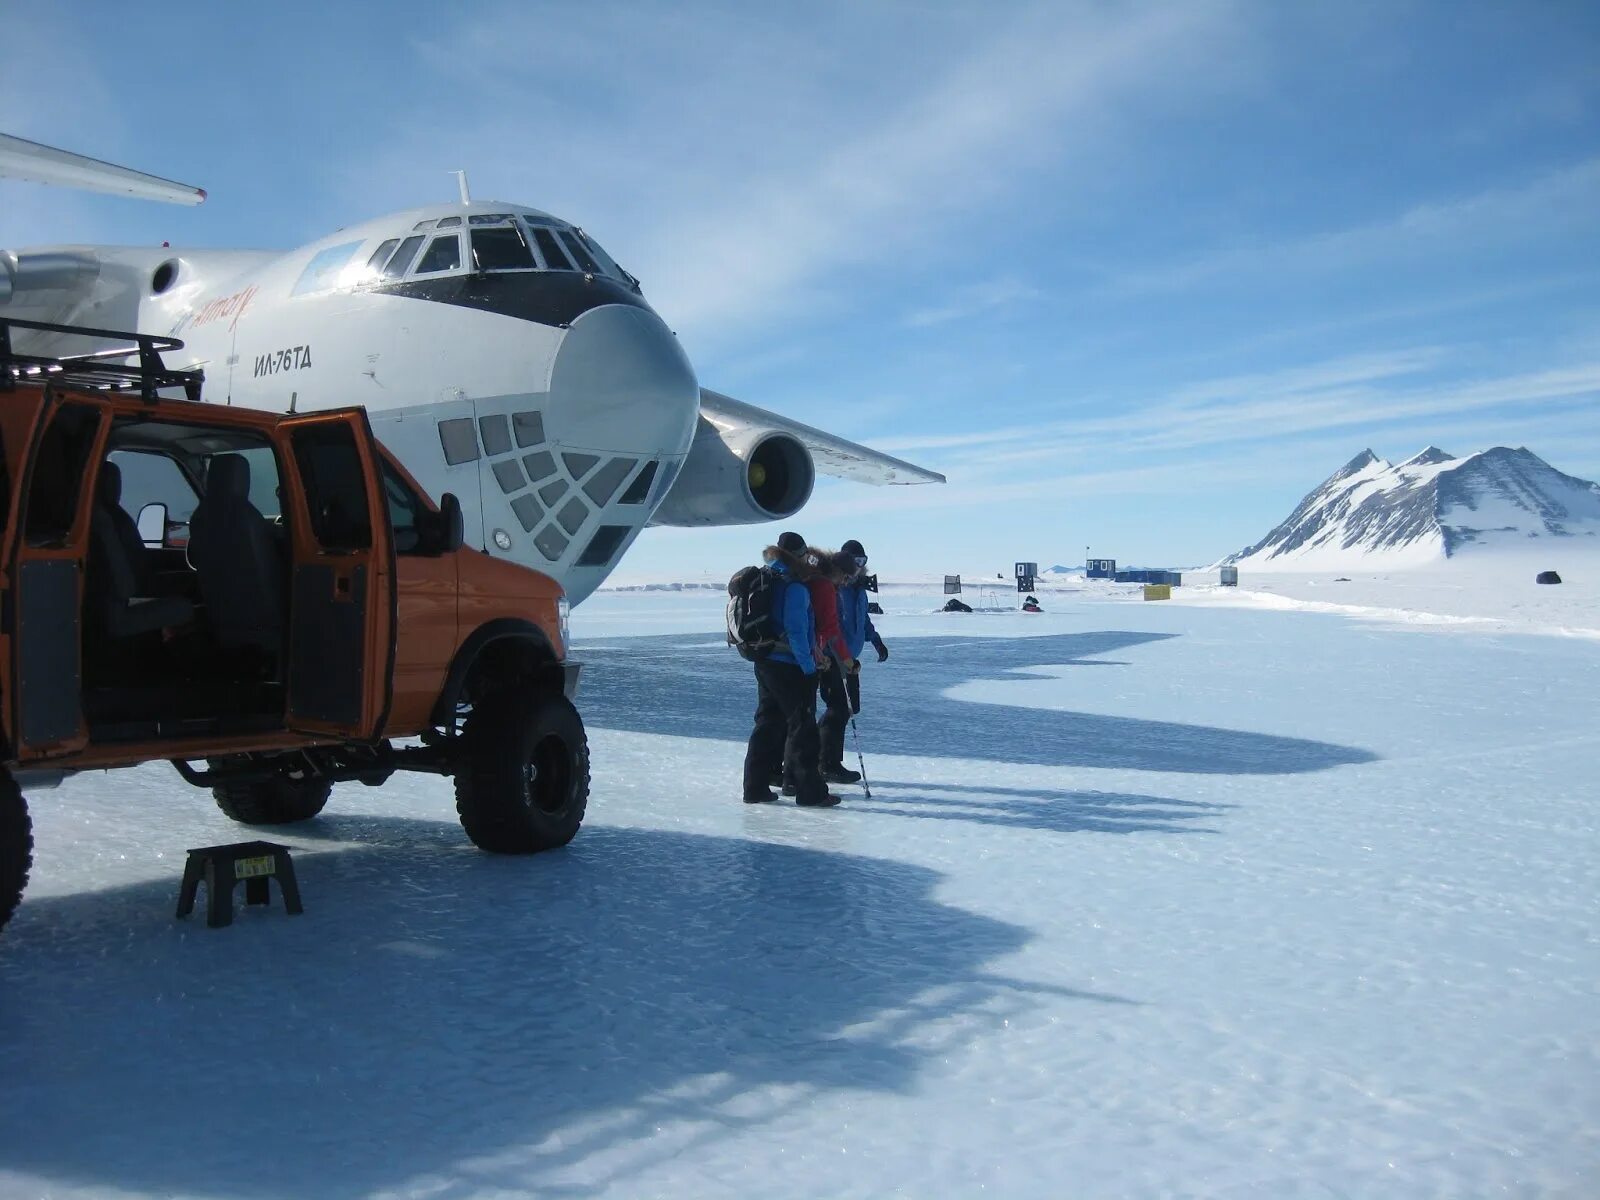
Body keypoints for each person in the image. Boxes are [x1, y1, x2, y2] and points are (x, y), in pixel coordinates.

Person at [742, 532, 841, 807]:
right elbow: (797, 630)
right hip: (789, 665)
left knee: (767, 723)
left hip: (765, 661)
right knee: (803, 728)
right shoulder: (794, 586)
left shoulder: (767, 578)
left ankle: (755, 787)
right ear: (799, 555)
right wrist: (809, 667)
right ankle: (811, 792)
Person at [805, 548, 862, 786]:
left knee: (841, 709)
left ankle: (821, 762)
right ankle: (826, 763)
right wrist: (844, 659)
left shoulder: (829, 586)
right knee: (837, 709)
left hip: (829, 656)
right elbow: (830, 630)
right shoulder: (826, 588)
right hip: (829, 659)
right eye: (846, 577)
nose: (847, 582)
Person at [836, 537, 887, 744]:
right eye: (855, 561)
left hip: (851, 658)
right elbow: (830, 624)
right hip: (836, 656)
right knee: (839, 709)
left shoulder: (859, 589)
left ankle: (829, 758)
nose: (860, 566)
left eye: (862, 561)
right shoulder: (837, 588)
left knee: (851, 708)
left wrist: (876, 641)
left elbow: (862, 618)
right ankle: (827, 759)